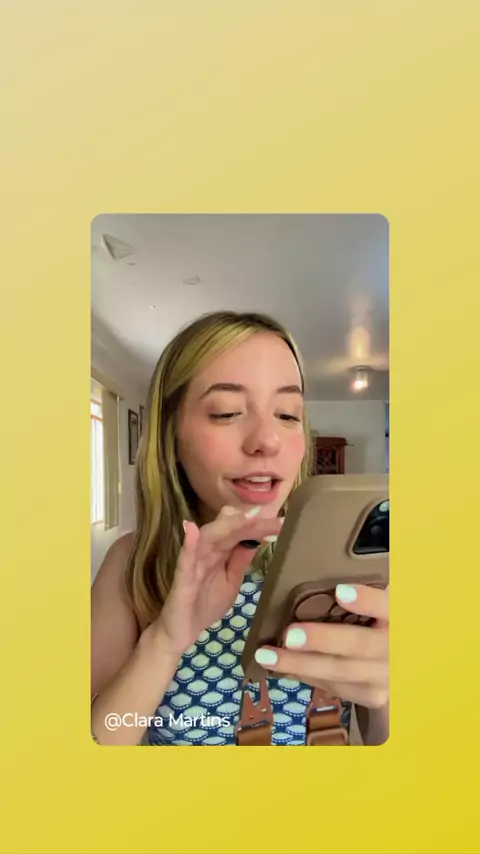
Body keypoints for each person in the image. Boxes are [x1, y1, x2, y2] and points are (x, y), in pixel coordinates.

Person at [91, 310, 389, 746]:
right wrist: (165, 641)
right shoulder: (133, 563)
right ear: (171, 435)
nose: (267, 440)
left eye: (288, 414)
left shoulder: (349, 557)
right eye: (226, 412)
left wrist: (388, 688)